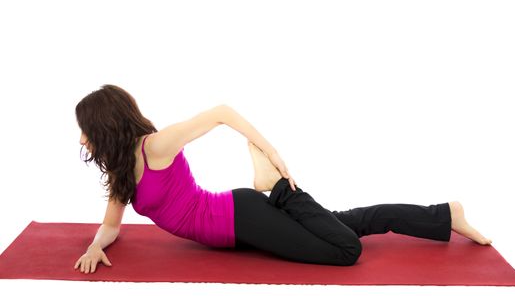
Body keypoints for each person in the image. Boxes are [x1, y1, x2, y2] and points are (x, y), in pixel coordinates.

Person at [73, 84, 492, 274]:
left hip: (242, 218)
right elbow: (111, 227)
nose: (82, 138)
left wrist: (270, 153)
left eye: (85, 128)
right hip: (237, 224)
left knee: (345, 252)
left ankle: (272, 186)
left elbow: (221, 112)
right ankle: (445, 215)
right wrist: (95, 246)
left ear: (105, 126)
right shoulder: (122, 171)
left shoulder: (156, 146)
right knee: (352, 224)